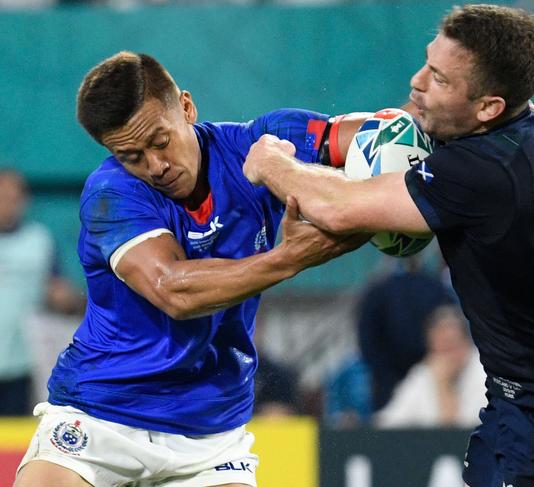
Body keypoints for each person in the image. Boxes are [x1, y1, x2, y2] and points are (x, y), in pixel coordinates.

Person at [243, 4, 534, 486]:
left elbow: (338, 207)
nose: (416, 82)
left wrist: (274, 162)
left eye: (438, 78)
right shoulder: (516, 128)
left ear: (489, 107)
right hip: (531, 405)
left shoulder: (484, 173)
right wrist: (428, 104)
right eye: (427, 63)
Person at [14, 51, 368, 487]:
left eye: (160, 142)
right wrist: (290, 257)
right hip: (101, 415)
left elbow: (377, 138)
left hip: (210, 429)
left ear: (186, 107)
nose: (155, 166)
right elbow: (174, 291)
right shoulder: (112, 194)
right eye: (131, 155)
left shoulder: (262, 146)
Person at [0, 169, 84, 415]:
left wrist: (66, 299)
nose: (7, 205)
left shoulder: (39, 240)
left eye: (13, 198)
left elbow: (56, 287)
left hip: (22, 361)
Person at [357, 256, 452, 412]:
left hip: (403, 379)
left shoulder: (379, 290)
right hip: (412, 378)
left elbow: (367, 340)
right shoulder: (437, 288)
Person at [374, 305, 486, 429]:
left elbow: (459, 434)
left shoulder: (485, 374)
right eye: (440, 347)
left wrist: (443, 385)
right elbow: (388, 424)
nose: (446, 356)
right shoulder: (423, 373)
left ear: (467, 344)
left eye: (451, 345)